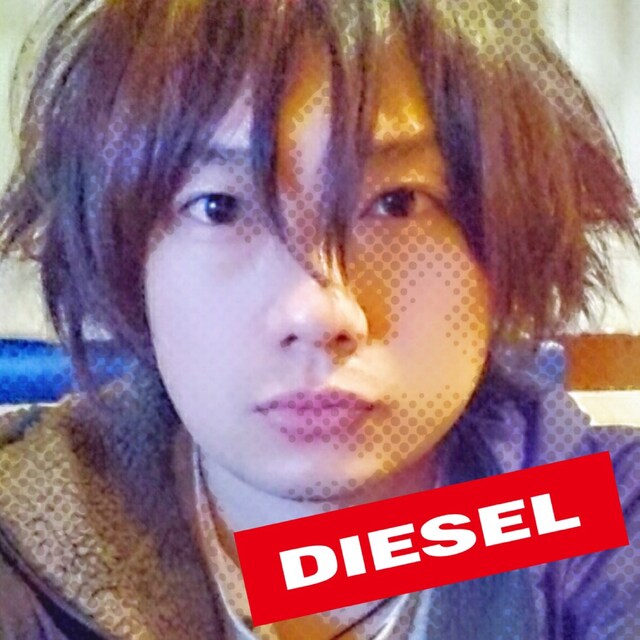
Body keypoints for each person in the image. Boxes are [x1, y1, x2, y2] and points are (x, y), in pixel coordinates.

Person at [0, 0, 638, 638]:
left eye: (398, 203)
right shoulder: (25, 542)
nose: (316, 313)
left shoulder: (601, 514)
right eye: (219, 207)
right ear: (123, 254)